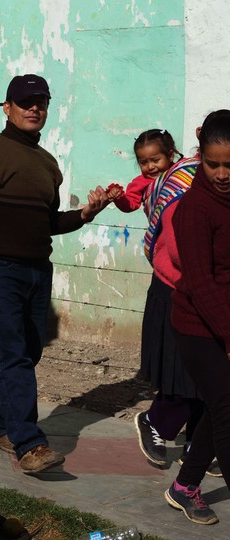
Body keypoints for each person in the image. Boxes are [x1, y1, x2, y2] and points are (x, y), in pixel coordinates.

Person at [0, 73, 111, 474]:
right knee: (12, 358)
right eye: (25, 102)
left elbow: (46, 222)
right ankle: (29, 444)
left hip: (36, 272)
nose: (34, 108)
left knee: (27, 353)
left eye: (41, 102)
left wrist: (84, 215)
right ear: (7, 108)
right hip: (0, 274)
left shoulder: (47, 163)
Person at [107, 132, 215, 473]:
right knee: (187, 373)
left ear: (171, 153)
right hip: (181, 286)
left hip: (207, 287)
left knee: (208, 378)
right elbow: (176, 243)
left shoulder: (204, 176)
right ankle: (157, 423)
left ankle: (199, 444)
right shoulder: (186, 181)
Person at [165, 109, 230, 525]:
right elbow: (202, 284)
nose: (222, 174)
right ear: (199, 157)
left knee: (221, 405)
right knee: (227, 410)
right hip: (199, 326)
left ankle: (184, 486)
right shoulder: (195, 209)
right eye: (213, 164)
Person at [107, 128, 181, 213]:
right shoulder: (140, 183)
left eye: (155, 160)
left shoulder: (182, 170)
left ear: (170, 156)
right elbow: (130, 205)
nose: (150, 166)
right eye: (143, 162)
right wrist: (119, 198)